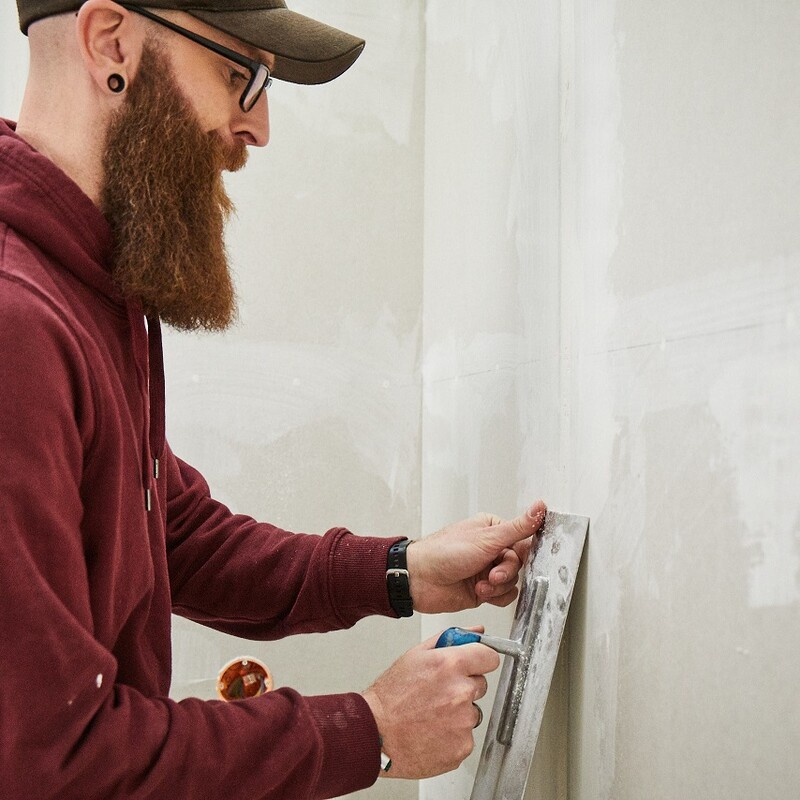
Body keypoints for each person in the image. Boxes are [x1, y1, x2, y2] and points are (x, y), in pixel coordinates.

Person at [0, 1, 547, 797]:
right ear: (110, 41)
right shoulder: (18, 323)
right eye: (239, 74)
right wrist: (373, 729)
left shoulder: (88, 286)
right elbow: (51, 763)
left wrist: (402, 572)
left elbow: (177, 536)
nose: (258, 127)